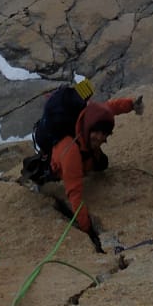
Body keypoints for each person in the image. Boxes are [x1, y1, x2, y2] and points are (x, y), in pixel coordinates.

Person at [21, 78, 143, 251]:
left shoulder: (92, 115)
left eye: (104, 135)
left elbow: (112, 107)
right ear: (89, 128)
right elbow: (75, 195)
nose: (100, 138)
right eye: (97, 133)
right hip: (61, 158)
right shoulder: (70, 151)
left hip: (81, 146)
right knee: (58, 171)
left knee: (101, 163)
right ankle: (41, 168)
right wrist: (88, 230)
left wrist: (131, 104)